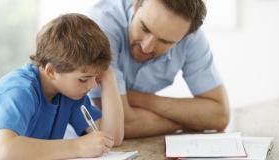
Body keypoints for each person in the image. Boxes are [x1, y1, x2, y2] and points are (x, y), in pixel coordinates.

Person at [0, 13, 124, 159]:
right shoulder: (19, 91)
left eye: (96, 77)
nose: (93, 85)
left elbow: (111, 138)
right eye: (84, 79)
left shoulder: (70, 93)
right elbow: (5, 152)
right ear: (51, 71)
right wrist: (78, 146)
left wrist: (109, 79)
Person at [87, 0, 230, 138]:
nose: (146, 47)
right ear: (136, 3)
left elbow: (219, 115)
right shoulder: (101, 26)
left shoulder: (190, 36)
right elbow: (117, 124)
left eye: (165, 41)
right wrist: (190, 122)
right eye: (144, 28)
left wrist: (142, 99)